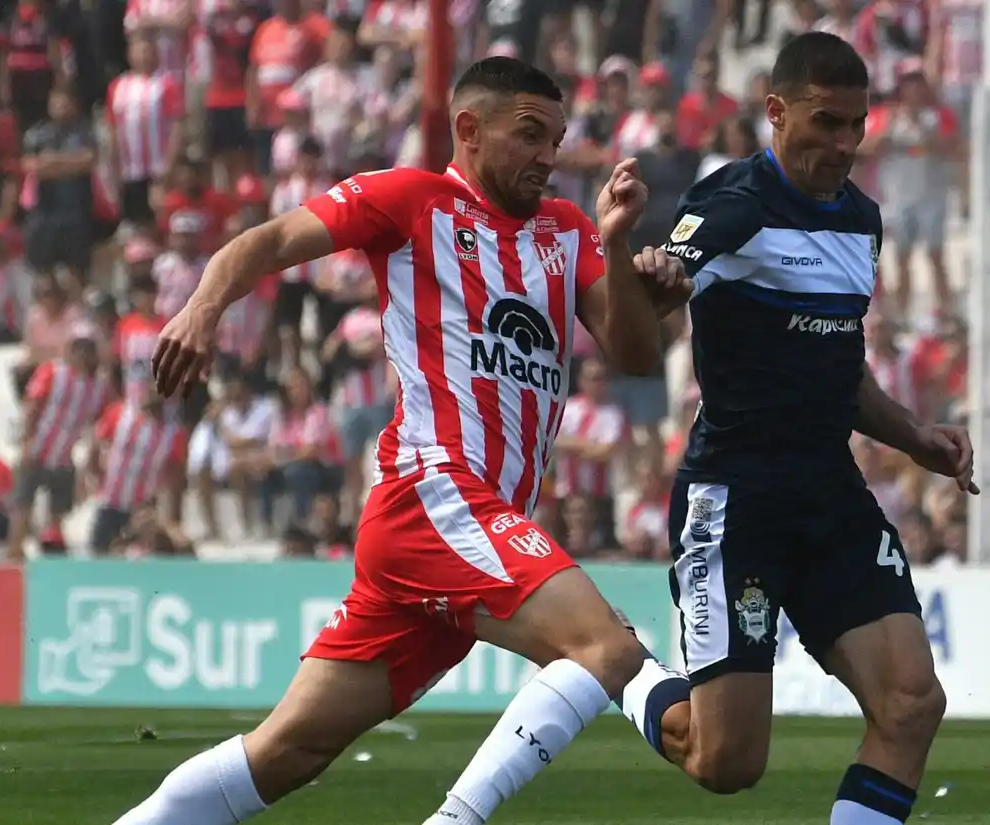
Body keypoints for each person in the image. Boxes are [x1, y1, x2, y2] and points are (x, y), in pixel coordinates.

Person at [112, 57, 686, 825]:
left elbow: (638, 353)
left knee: (286, 753)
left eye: (557, 138)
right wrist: (201, 308)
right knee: (606, 647)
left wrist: (619, 248)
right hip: (436, 493)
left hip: (458, 528)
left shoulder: (567, 231)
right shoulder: (413, 200)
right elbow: (271, 239)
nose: (550, 156)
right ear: (470, 130)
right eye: (530, 135)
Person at [431, 32, 977, 825]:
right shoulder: (732, 206)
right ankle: (622, 666)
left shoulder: (861, 219)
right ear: (777, 113)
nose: (845, 143)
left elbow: (838, 363)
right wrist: (633, 260)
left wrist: (913, 435)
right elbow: (644, 325)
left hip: (830, 494)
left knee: (911, 702)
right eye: (827, 123)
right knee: (725, 762)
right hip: (738, 502)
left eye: (857, 125)